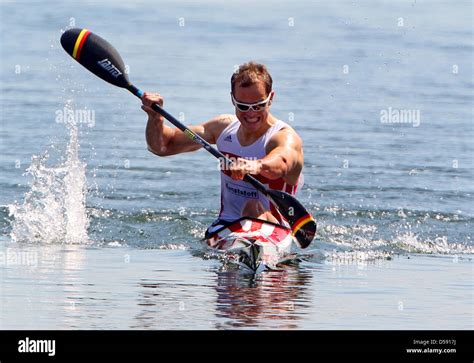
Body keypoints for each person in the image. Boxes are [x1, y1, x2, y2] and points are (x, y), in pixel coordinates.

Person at [141, 61, 304, 238]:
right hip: (225, 228)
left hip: (274, 230)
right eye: (242, 106)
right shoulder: (222, 128)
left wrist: (252, 166)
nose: (250, 113)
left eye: (258, 105)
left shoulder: (284, 137)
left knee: (252, 206)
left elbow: (281, 162)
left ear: (270, 98)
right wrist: (155, 117)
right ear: (232, 99)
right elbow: (162, 146)